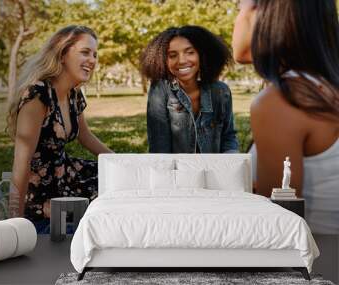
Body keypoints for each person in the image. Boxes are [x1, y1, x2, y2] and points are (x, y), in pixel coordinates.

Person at [232, 1, 339, 282]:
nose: (238, 20)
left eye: (239, 8)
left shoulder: (283, 101)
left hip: (314, 263)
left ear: (265, 16)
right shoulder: (323, 85)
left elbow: (278, 221)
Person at [7, 25, 113, 233]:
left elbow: (85, 135)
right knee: (107, 201)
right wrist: (14, 225)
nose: (92, 60)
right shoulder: (38, 95)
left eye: (94, 54)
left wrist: (121, 162)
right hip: (42, 194)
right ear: (63, 53)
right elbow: (21, 162)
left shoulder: (74, 95)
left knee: (115, 181)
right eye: (85, 52)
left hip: (66, 174)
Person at [141, 25, 239, 153]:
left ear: (202, 55)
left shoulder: (220, 91)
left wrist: (230, 163)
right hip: (177, 171)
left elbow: (228, 137)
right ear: (163, 60)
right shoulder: (160, 90)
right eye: (172, 55)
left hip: (214, 169)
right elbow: (159, 148)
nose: (181, 60)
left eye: (190, 52)